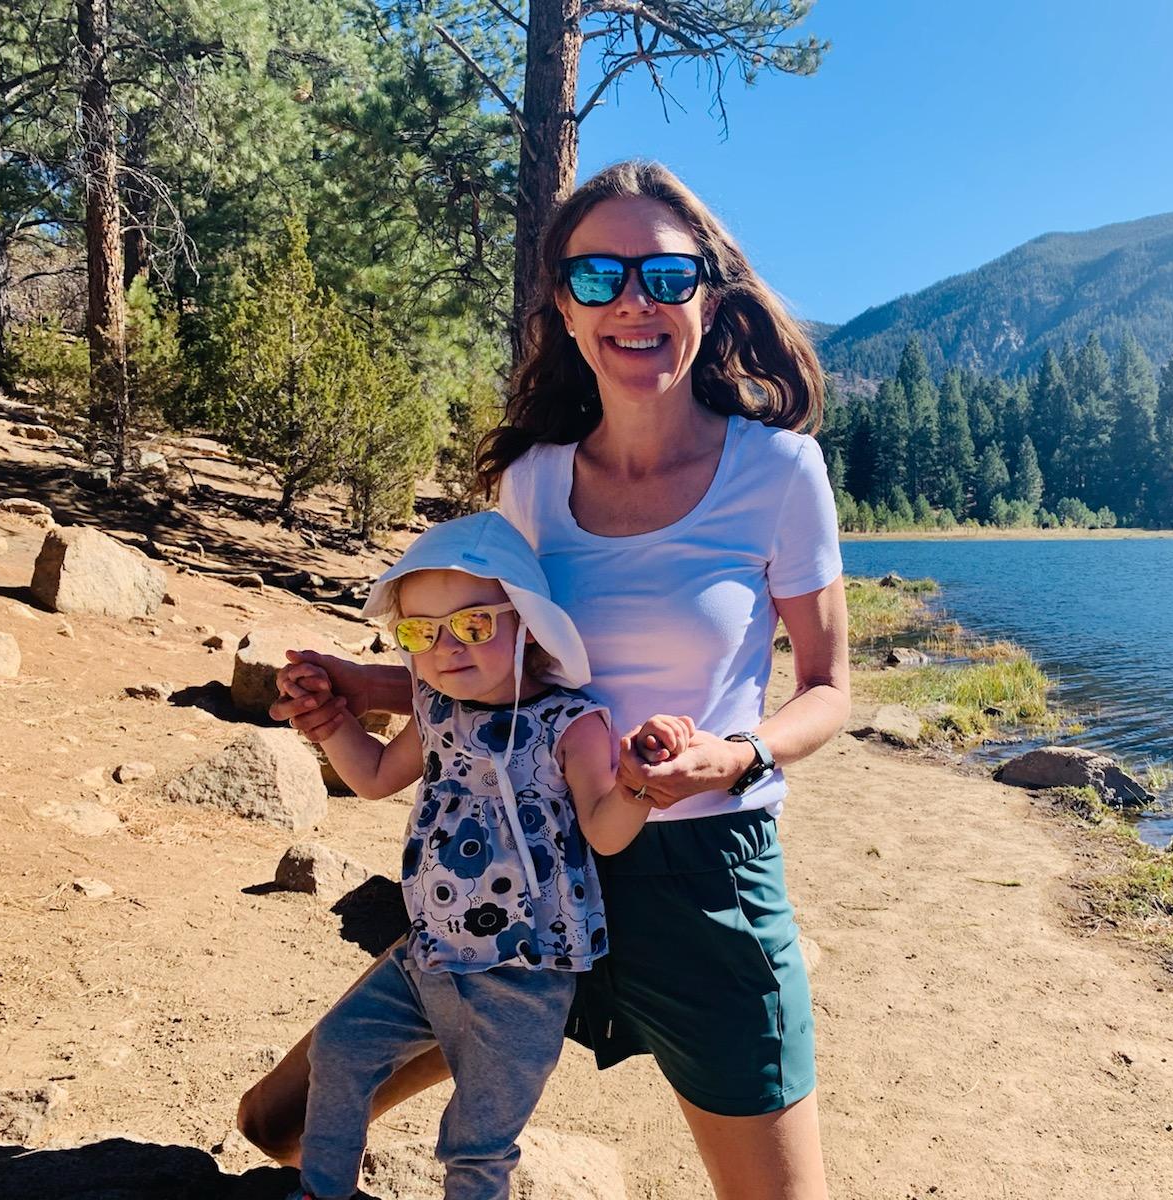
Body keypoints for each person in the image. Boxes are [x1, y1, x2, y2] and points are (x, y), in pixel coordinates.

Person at [247, 159, 849, 1198]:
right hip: (514, 872)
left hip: (700, 883)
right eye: (598, 275)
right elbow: (493, 671)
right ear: (562, 309)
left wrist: (732, 755)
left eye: (665, 276)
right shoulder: (529, 483)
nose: (633, 301)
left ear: (707, 294)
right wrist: (362, 682)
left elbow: (830, 687)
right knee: (281, 1125)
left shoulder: (777, 471)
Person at [288, 510, 686, 1199]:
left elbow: (605, 830)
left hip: (524, 977)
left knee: (478, 1141)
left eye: (474, 625)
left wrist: (639, 785)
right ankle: (324, 1190)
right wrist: (332, 727)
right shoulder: (438, 707)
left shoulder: (574, 721)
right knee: (340, 1049)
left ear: (526, 622)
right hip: (427, 956)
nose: (446, 649)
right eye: (420, 633)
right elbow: (378, 775)